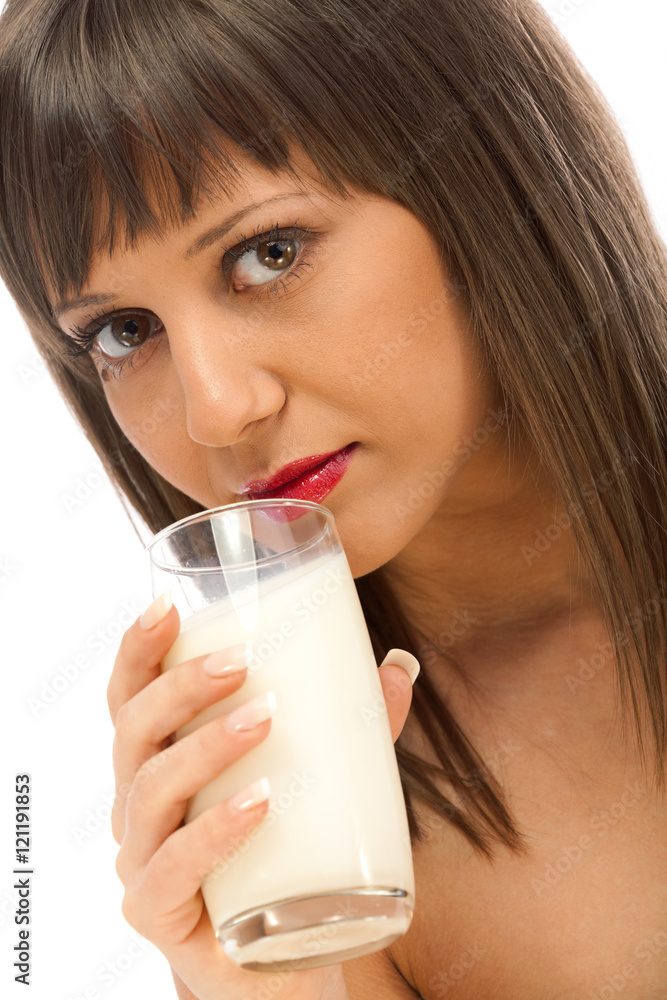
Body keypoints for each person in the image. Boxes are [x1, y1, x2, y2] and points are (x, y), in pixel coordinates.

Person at [1, 0, 666, 996]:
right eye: (124, 330)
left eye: (266, 254)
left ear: (486, 172)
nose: (217, 410)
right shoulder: (317, 850)